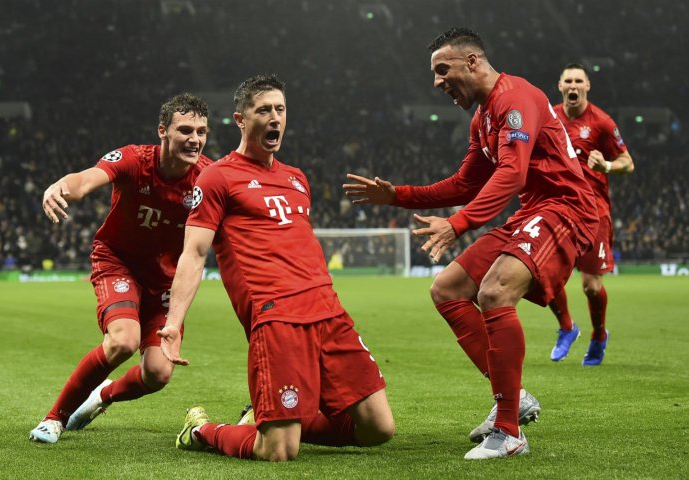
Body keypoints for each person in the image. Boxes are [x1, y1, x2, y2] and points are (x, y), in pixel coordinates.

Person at [343, 28, 599, 459]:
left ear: (473, 61)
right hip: (533, 212)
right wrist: (398, 195)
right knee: (446, 289)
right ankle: (513, 398)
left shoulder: (515, 99)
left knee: (495, 292)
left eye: (443, 70)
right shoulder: (482, 118)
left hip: (566, 209)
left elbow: (513, 174)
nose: (437, 82)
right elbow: (465, 183)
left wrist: (458, 224)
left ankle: (509, 432)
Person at [158, 74, 395, 462]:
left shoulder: (296, 178)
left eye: (280, 109)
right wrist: (174, 322)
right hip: (277, 317)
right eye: (264, 110)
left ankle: (268, 419)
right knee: (279, 451)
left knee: (377, 428)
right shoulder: (217, 176)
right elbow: (194, 253)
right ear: (240, 119)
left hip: (328, 311)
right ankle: (201, 430)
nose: (275, 118)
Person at [29, 94, 213, 444]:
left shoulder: (208, 178)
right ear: (163, 131)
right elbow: (85, 180)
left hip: (165, 282)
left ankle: (102, 395)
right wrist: (60, 187)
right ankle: (54, 419)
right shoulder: (134, 159)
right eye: (185, 130)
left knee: (158, 373)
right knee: (123, 341)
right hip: (118, 262)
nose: (195, 139)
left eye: (201, 131)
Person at [548, 63, 634, 365]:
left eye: (578, 81)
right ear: (560, 86)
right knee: (544, 276)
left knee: (591, 286)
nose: (573, 85)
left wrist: (606, 166)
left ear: (587, 86)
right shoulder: (548, 117)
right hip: (558, 208)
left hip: (593, 212)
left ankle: (598, 335)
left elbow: (628, 162)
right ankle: (566, 328)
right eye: (568, 81)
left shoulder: (601, 122)